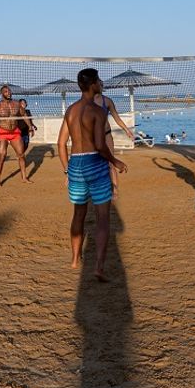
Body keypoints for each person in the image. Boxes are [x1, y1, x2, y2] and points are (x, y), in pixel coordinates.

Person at [58, 68, 128, 281]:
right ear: (92, 85)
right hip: (95, 162)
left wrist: (67, 169)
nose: (100, 83)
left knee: (78, 214)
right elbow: (99, 145)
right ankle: (98, 267)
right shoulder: (97, 111)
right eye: (98, 80)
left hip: (76, 163)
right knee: (103, 218)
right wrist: (115, 161)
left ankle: (74, 260)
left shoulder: (71, 110)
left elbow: (61, 144)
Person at [0, 85, 35, 185]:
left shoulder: (16, 104)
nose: (8, 93)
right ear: (1, 94)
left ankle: (24, 178)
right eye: (6, 91)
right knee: (2, 156)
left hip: (15, 132)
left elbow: (24, 115)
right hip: (3, 132)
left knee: (21, 155)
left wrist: (30, 126)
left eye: (9, 91)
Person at [93, 90, 135, 194]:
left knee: (111, 163)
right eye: (98, 84)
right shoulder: (86, 101)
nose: (100, 86)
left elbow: (116, 117)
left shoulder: (107, 101)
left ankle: (115, 189)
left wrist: (127, 130)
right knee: (94, 164)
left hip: (106, 135)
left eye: (101, 84)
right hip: (93, 137)